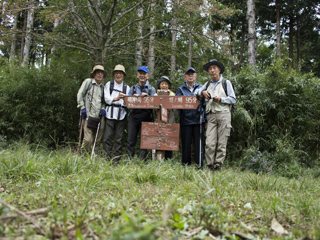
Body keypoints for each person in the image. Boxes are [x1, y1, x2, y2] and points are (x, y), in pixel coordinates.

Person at [196, 59, 236, 171]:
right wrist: (202, 92)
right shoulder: (208, 84)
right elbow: (196, 92)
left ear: (219, 70)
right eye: (210, 68)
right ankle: (210, 166)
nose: (212, 70)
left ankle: (218, 166)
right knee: (209, 142)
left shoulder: (226, 83)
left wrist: (221, 99)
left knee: (222, 142)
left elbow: (233, 99)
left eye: (214, 68)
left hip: (224, 114)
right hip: (211, 116)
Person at [176, 67, 206, 168]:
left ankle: (200, 167)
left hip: (199, 121)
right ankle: (186, 167)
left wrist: (205, 120)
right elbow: (177, 104)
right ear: (185, 77)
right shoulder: (180, 89)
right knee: (186, 146)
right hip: (185, 121)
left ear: (195, 76)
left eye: (192, 74)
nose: (190, 76)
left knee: (199, 146)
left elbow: (205, 105)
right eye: (188, 74)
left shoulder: (201, 88)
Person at [127, 66, 156, 160]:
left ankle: (143, 161)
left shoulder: (152, 89)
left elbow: (156, 105)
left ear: (148, 75)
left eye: (144, 74)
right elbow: (127, 103)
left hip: (146, 116)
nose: (142, 75)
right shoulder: (133, 88)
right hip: (134, 116)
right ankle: (129, 160)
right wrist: (133, 98)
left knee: (144, 140)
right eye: (140, 73)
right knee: (131, 139)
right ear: (137, 75)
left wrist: (147, 98)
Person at [103, 64, 130, 163]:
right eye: (117, 73)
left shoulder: (127, 88)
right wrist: (116, 98)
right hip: (109, 114)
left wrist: (124, 100)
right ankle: (106, 159)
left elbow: (129, 103)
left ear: (123, 75)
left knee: (119, 138)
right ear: (114, 74)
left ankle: (116, 161)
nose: (118, 75)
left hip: (121, 115)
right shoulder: (108, 85)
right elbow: (106, 99)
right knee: (107, 138)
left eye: (121, 73)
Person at [77, 64, 106, 153]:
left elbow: (104, 102)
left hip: (99, 117)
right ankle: (82, 156)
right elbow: (80, 94)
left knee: (97, 140)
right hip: (88, 116)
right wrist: (82, 107)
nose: (100, 74)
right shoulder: (88, 82)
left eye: (101, 73)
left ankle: (94, 158)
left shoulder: (103, 87)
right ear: (94, 74)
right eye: (98, 73)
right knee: (88, 139)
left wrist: (103, 109)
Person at [155, 76, 176, 159]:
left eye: (166, 84)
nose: (164, 85)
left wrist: (168, 95)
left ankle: (168, 159)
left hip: (169, 121)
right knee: (158, 140)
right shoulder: (155, 94)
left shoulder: (173, 95)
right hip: (159, 122)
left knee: (168, 140)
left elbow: (175, 107)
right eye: (162, 83)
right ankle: (158, 159)